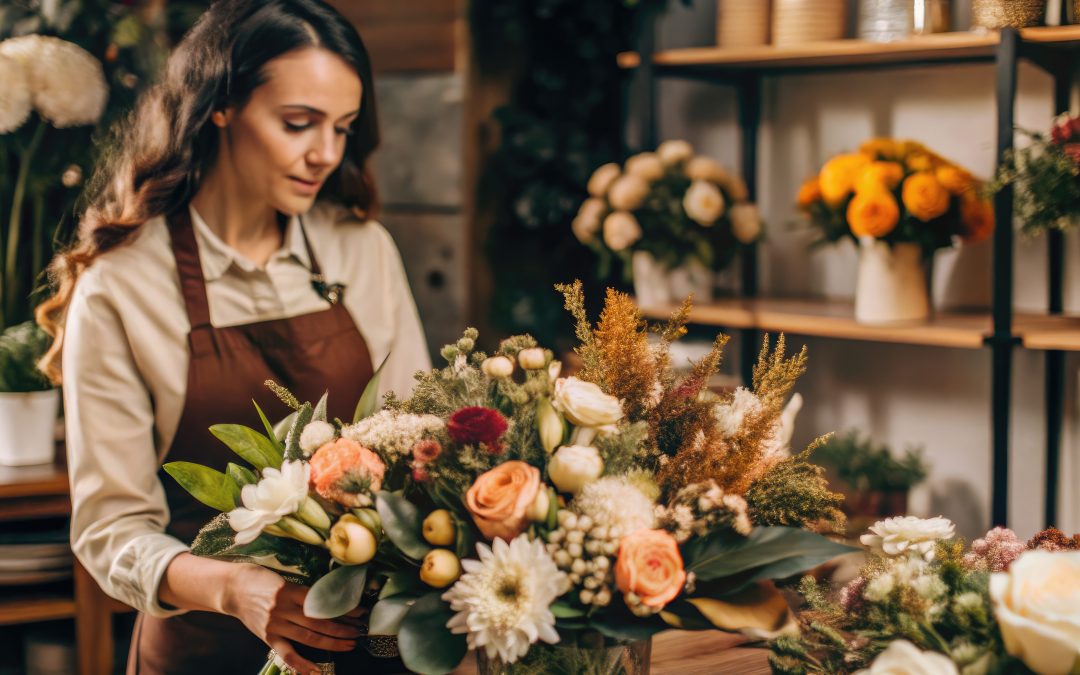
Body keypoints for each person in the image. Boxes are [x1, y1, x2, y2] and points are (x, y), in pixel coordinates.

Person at [35, 1, 431, 673]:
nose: (326, 154)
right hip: (205, 648)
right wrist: (235, 587)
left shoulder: (362, 251)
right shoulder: (123, 287)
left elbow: (422, 445)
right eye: (298, 124)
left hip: (374, 646)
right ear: (220, 106)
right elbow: (109, 533)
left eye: (343, 127)